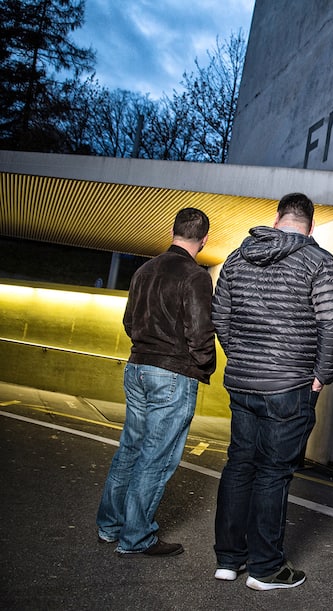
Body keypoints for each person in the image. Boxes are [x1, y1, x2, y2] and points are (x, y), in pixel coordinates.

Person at [212, 192, 333, 590]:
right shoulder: (318, 261)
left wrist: (238, 355)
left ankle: (228, 559)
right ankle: (266, 568)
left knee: (239, 465)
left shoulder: (237, 259)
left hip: (243, 381)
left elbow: (220, 314)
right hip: (290, 385)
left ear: (276, 220)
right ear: (310, 225)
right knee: (273, 473)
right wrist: (322, 375)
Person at [96, 207, 216, 557]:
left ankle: (110, 527)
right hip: (173, 374)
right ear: (204, 239)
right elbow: (200, 333)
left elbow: (129, 321)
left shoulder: (144, 270)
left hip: (137, 369)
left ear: (173, 231)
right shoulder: (195, 277)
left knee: (130, 450)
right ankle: (136, 537)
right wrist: (202, 366)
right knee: (156, 458)